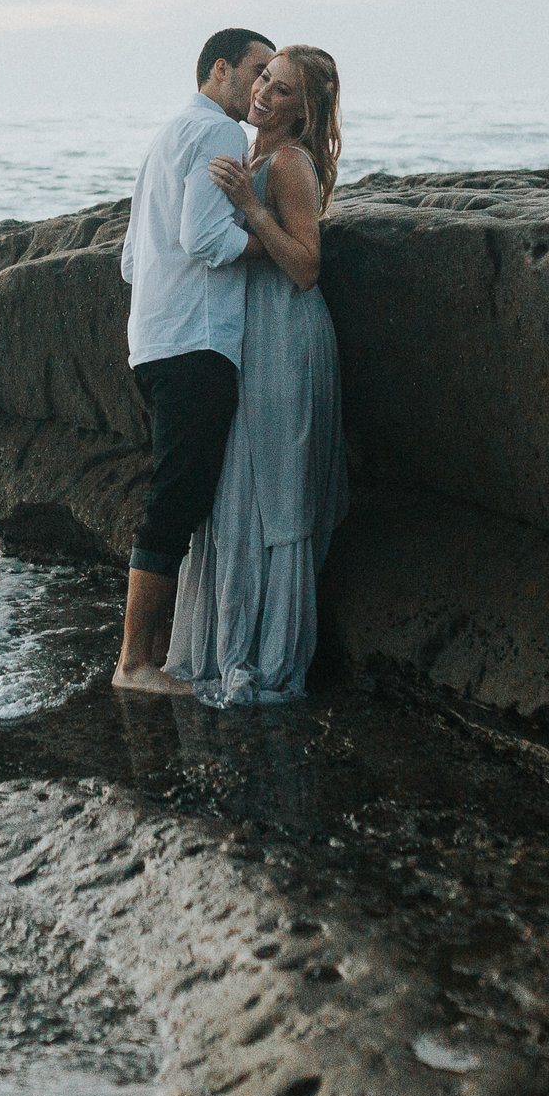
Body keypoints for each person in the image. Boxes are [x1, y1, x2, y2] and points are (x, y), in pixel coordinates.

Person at [166, 45, 349, 704]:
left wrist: (254, 204)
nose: (266, 94)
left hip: (286, 338)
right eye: (265, 78)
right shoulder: (244, 152)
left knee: (274, 492)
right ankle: (229, 647)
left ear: (305, 110)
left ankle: (269, 661)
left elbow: (305, 265)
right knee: (237, 488)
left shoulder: (290, 164)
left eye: (284, 90)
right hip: (250, 335)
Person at [112, 28, 274, 694]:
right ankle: (134, 664)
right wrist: (274, 242)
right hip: (194, 340)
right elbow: (203, 236)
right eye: (257, 71)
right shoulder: (219, 135)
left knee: (176, 494)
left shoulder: (166, 134)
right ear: (220, 71)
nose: (263, 85)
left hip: (152, 338)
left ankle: (148, 654)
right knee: (176, 499)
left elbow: (129, 259)